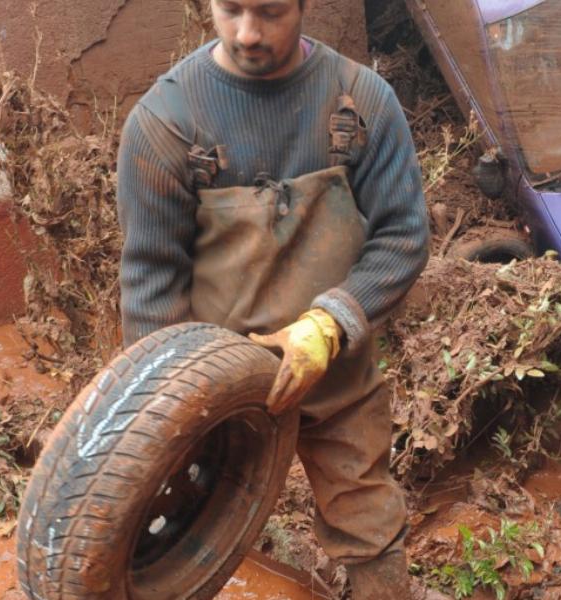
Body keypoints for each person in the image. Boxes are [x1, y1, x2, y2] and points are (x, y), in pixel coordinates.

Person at [115, 1, 438, 597]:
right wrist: (165, 409)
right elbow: (152, 282)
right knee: (173, 540)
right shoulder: (165, 122)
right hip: (214, 389)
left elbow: (402, 237)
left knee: (368, 523)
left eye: (269, 10)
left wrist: (330, 324)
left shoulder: (359, 103)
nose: (247, 33)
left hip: (334, 374)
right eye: (229, 8)